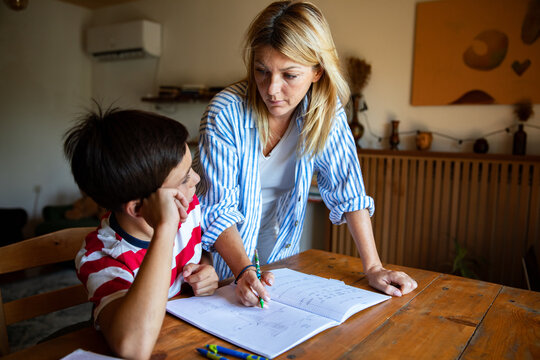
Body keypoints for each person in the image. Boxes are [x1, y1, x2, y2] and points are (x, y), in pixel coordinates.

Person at [197, 0, 417, 307]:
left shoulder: (328, 112)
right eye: (262, 71)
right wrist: (243, 270)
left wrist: (373, 267)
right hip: (223, 255)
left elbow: (348, 189)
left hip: (281, 254)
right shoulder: (226, 111)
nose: (272, 89)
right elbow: (218, 208)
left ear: (317, 71)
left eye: (289, 75)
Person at [64, 107, 219, 359]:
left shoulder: (188, 209)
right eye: (183, 180)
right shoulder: (102, 257)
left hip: (183, 340)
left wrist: (205, 270)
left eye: (191, 170)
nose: (197, 179)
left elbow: (197, 254)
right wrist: (165, 229)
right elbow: (134, 348)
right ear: (138, 208)